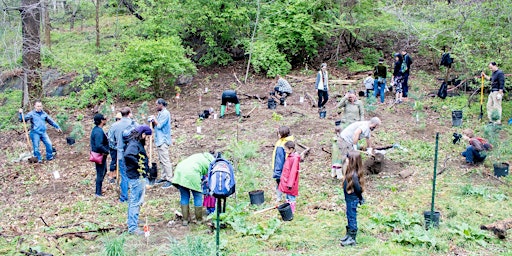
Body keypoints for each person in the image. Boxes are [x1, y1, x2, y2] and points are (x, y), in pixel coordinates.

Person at [172, 152, 215, 226]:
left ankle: (185, 220)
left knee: (184, 196)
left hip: (180, 171)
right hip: (192, 173)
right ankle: (199, 220)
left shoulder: (199, 156)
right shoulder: (210, 163)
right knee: (197, 196)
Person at [123, 125, 152, 235]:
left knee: (134, 201)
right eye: (147, 136)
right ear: (143, 134)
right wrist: (139, 165)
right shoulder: (134, 144)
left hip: (136, 176)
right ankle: (133, 227)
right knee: (135, 202)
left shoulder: (134, 142)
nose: (148, 139)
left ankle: (132, 221)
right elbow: (128, 155)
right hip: (136, 177)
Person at [112, 107, 138, 203]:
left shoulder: (115, 125)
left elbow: (110, 139)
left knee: (124, 175)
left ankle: (124, 197)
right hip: (133, 153)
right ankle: (134, 195)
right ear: (129, 113)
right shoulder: (134, 124)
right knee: (133, 174)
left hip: (120, 154)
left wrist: (117, 146)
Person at [340, 151, 365, 247]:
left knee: (352, 217)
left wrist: (360, 198)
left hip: (352, 200)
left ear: (352, 161)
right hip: (349, 199)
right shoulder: (350, 172)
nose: (345, 160)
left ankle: (352, 238)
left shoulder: (354, 175)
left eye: (347, 158)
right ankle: (348, 234)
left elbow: (358, 189)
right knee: (349, 215)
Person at [149, 98, 173, 189]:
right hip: (159, 139)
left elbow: (159, 126)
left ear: (161, 105)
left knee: (165, 160)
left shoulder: (165, 113)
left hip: (163, 140)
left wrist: (154, 119)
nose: (156, 106)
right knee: (161, 160)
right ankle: (164, 177)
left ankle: (170, 179)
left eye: (157, 105)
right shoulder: (160, 113)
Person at [272, 126, 294, 202]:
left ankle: (289, 198)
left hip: (284, 167)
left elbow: (289, 157)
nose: (277, 135)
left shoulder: (288, 143)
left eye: (279, 133)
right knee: (278, 181)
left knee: (287, 182)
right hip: (278, 166)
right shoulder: (279, 142)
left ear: (283, 133)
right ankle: (279, 197)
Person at [278, 141, 301, 213]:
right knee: (288, 196)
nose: (284, 151)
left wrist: (290, 184)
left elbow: (293, 172)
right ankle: (288, 209)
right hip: (287, 181)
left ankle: (291, 211)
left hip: (290, 183)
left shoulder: (294, 158)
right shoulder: (290, 156)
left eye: (286, 149)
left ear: (291, 149)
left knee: (291, 197)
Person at [90, 114, 109, 197]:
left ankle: (99, 189)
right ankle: (98, 192)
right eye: (105, 118)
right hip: (99, 155)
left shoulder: (97, 130)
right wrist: (106, 151)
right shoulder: (98, 131)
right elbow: (98, 145)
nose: (106, 120)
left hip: (99, 155)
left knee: (103, 171)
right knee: (100, 172)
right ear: (101, 121)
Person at [107, 112, 122, 184]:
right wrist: (115, 143)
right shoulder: (113, 126)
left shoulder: (120, 126)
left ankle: (116, 174)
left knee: (118, 161)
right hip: (113, 147)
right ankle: (111, 176)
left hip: (119, 147)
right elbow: (110, 137)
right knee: (114, 161)